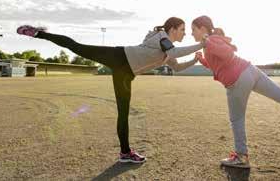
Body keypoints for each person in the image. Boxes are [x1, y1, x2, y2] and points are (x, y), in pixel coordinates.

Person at [17, 17, 203, 163]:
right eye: (182, 30)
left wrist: (195, 59)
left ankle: (125, 152)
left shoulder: (168, 51)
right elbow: (175, 53)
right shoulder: (163, 38)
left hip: (126, 74)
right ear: (172, 29)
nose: (185, 33)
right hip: (119, 57)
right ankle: (39, 34)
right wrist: (203, 43)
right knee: (77, 47)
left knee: (123, 114)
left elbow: (177, 67)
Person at [191, 15, 280, 169]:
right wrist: (203, 60)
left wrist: (207, 40)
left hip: (237, 79)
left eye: (193, 30)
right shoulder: (210, 42)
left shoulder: (211, 40)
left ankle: (241, 156)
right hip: (250, 70)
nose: (192, 34)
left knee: (236, 119)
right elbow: (218, 64)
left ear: (203, 28)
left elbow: (227, 54)